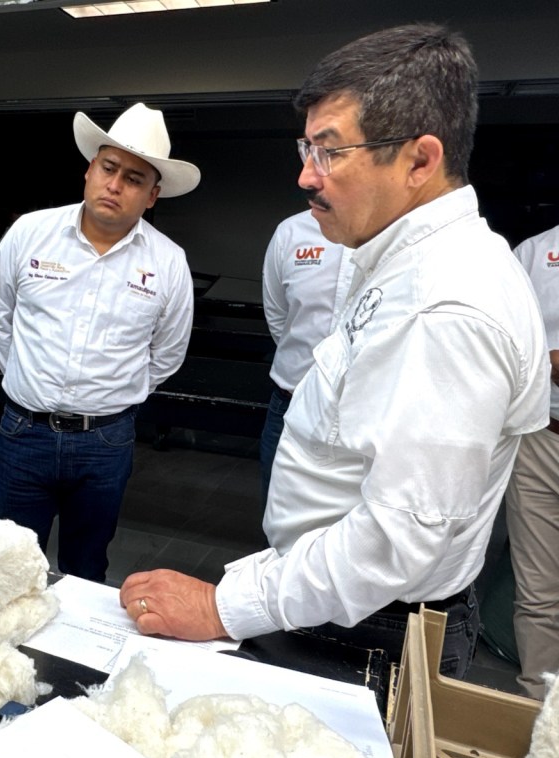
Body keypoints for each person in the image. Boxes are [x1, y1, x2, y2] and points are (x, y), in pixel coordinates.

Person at [119, 24, 550, 678]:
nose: (304, 176)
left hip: (367, 625)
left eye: (328, 152)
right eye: (306, 148)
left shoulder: (446, 307)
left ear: (420, 160)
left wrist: (221, 605)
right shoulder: (395, 259)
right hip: (328, 596)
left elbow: (394, 542)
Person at [0, 103, 200, 583]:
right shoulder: (30, 233)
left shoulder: (168, 262)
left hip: (105, 442)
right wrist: (25, 377)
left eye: (135, 179)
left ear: (152, 196)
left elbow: (168, 352)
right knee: (4, 567)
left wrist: (112, 395)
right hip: (24, 433)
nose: (115, 185)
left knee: (85, 568)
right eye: (108, 168)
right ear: (89, 170)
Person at [259, 210, 353, 511]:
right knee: (277, 519)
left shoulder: (393, 234)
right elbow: (278, 315)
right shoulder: (291, 232)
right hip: (290, 404)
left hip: (359, 416)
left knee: (345, 524)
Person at [506, 223, 559, 700]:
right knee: (540, 593)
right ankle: (539, 715)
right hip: (542, 438)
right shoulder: (535, 252)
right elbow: (510, 339)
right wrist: (548, 361)